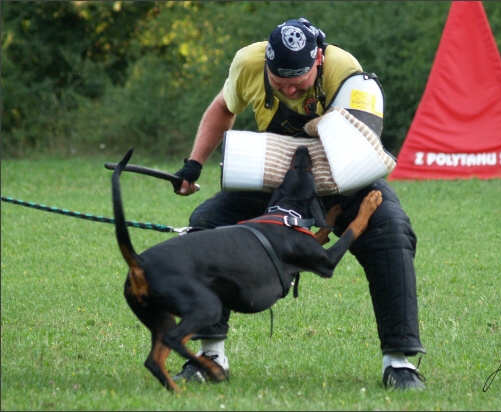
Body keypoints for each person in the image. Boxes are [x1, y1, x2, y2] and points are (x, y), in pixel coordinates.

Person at [171, 17, 426, 390]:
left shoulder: (346, 71)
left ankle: (399, 363)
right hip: (277, 180)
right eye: (279, 81)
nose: (289, 88)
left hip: (343, 178)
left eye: (299, 80)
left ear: (318, 60)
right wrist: (194, 164)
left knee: (391, 228)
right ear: (267, 65)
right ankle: (210, 356)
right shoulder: (248, 63)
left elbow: (358, 149)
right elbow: (224, 108)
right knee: (207, 222)